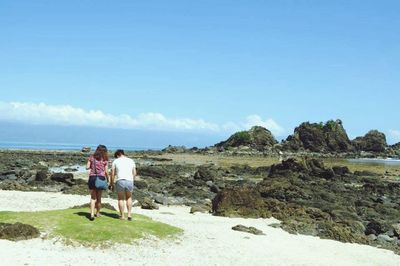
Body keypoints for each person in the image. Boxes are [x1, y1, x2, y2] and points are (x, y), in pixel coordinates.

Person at [111, 149, 137, 221]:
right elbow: (134, 173)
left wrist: (111, 183)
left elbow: (112, 173)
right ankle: (129, 214)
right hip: (129, 181)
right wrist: (132, 180)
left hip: (120, 180)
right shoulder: (131, 160)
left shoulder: (115, 161)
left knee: (120, 199)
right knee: (129, 198)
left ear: (118, 155)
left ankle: (122, 215)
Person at [86, 145, 109, 221]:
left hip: (92, 178)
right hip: (101, 178)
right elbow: (106, 172)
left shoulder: (91, 157)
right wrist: (108, 180)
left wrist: (92, 166)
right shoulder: (105, 159)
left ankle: (92, 214)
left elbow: (87, 167)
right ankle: (98, 213)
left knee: (93, 198)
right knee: (99, 198)